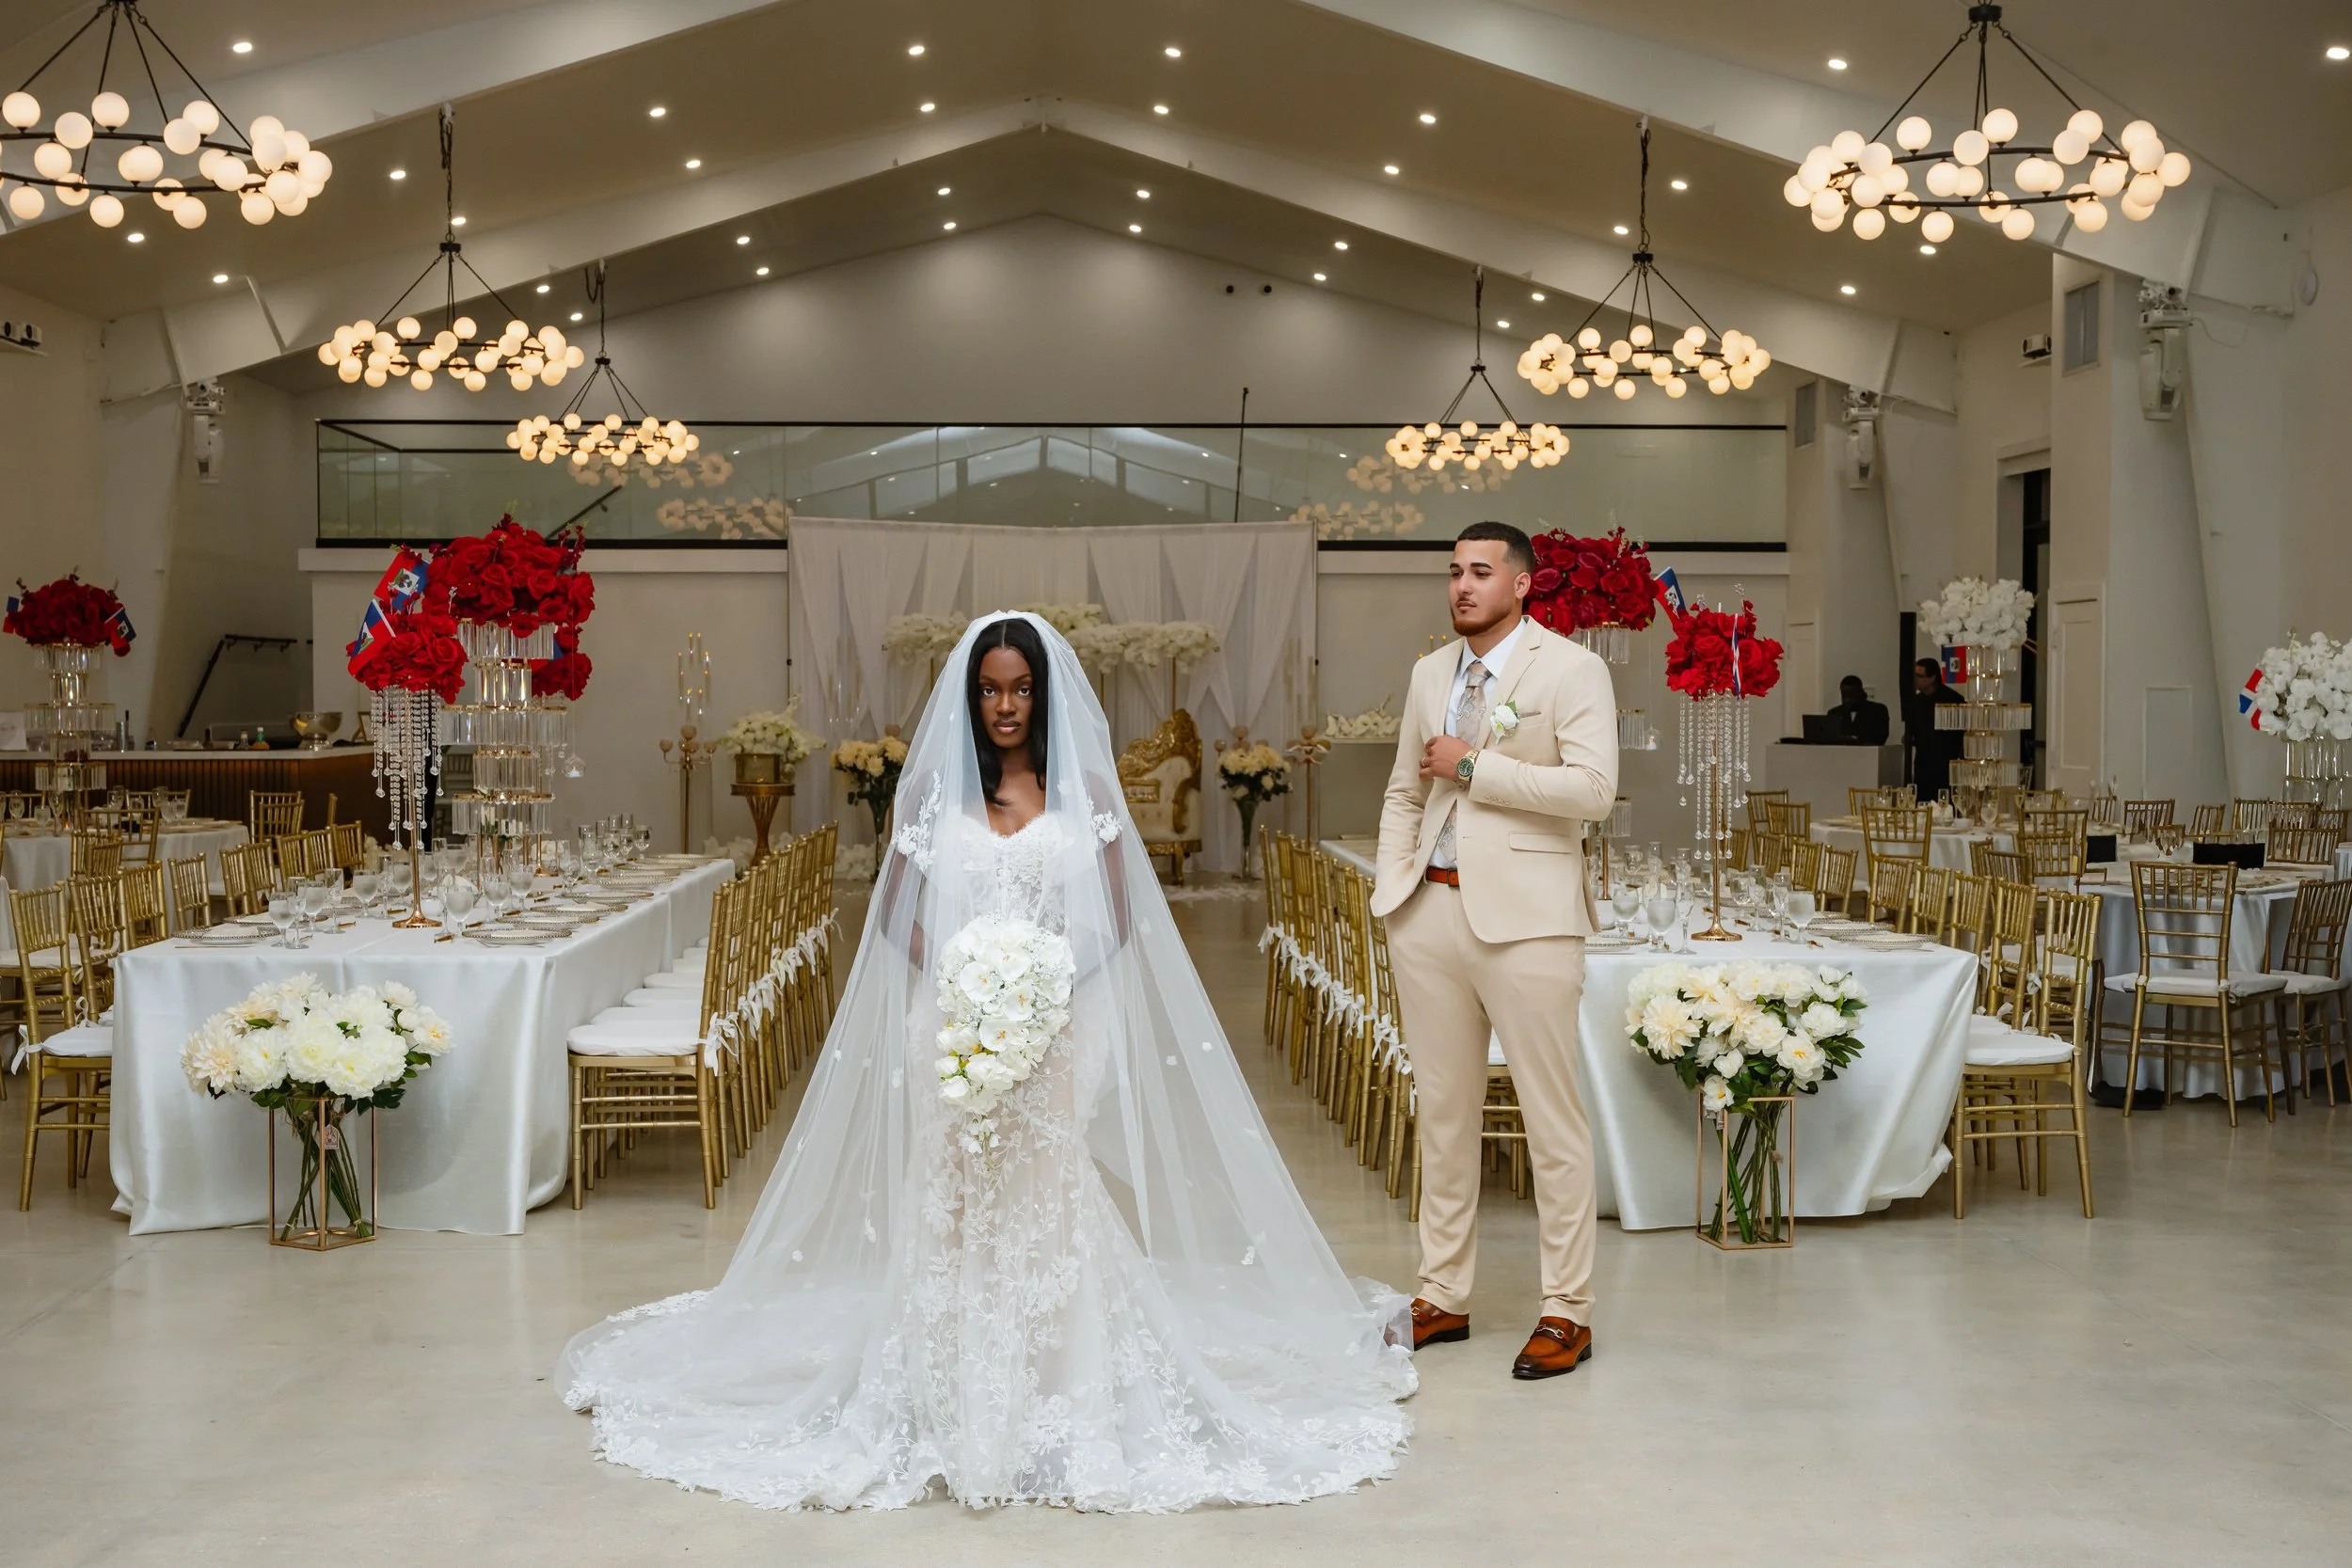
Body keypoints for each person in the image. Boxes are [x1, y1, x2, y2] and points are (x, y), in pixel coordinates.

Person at [560, 612, 1414, 1512]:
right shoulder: (935, 793)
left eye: (1020, 689)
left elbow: (1124, 913)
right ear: (971, 698)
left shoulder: (1083, 787)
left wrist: (1044, 987)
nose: (1005, 705)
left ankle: (1055, 1387)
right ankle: (944, 1384)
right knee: (954, 1189)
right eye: (989, 689)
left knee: (1047, 1189)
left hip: (1060, 1020)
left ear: (1044, 697)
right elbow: (895, 909)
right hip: (953, 1018)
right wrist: (965, 979)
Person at [1374, 521, 1619, 1381]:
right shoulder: (1428, 673)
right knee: (1443, 1117)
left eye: (1481, 572)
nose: (1462, 586)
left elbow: (1594, 791)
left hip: (1531, 922)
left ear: (1522, 584)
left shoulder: (1573, 668)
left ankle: (1568, 1311)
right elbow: (1406, 788)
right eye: (1454, 572)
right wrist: (1392, 889)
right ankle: (1442, 1293)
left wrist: (1477, 767)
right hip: (1430, 917)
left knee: (1554, 1122)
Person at [1904, 657, 1963, 799]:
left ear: (1932, 677)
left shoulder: (1953, 699)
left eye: (1919, 675)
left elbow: (1962, 734)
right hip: (1923, 765)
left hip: (1947, 766)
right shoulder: (1916, 702)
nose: (1915, 679)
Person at [1828, 674, 1890, 745]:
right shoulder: (1834, 713)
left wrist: (1857, 741)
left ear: (1861, 693)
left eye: (1852, 695)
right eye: (1844, 696)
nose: (1847, 700)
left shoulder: (1877, 711)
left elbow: (1879, 738)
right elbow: (1831, 740)